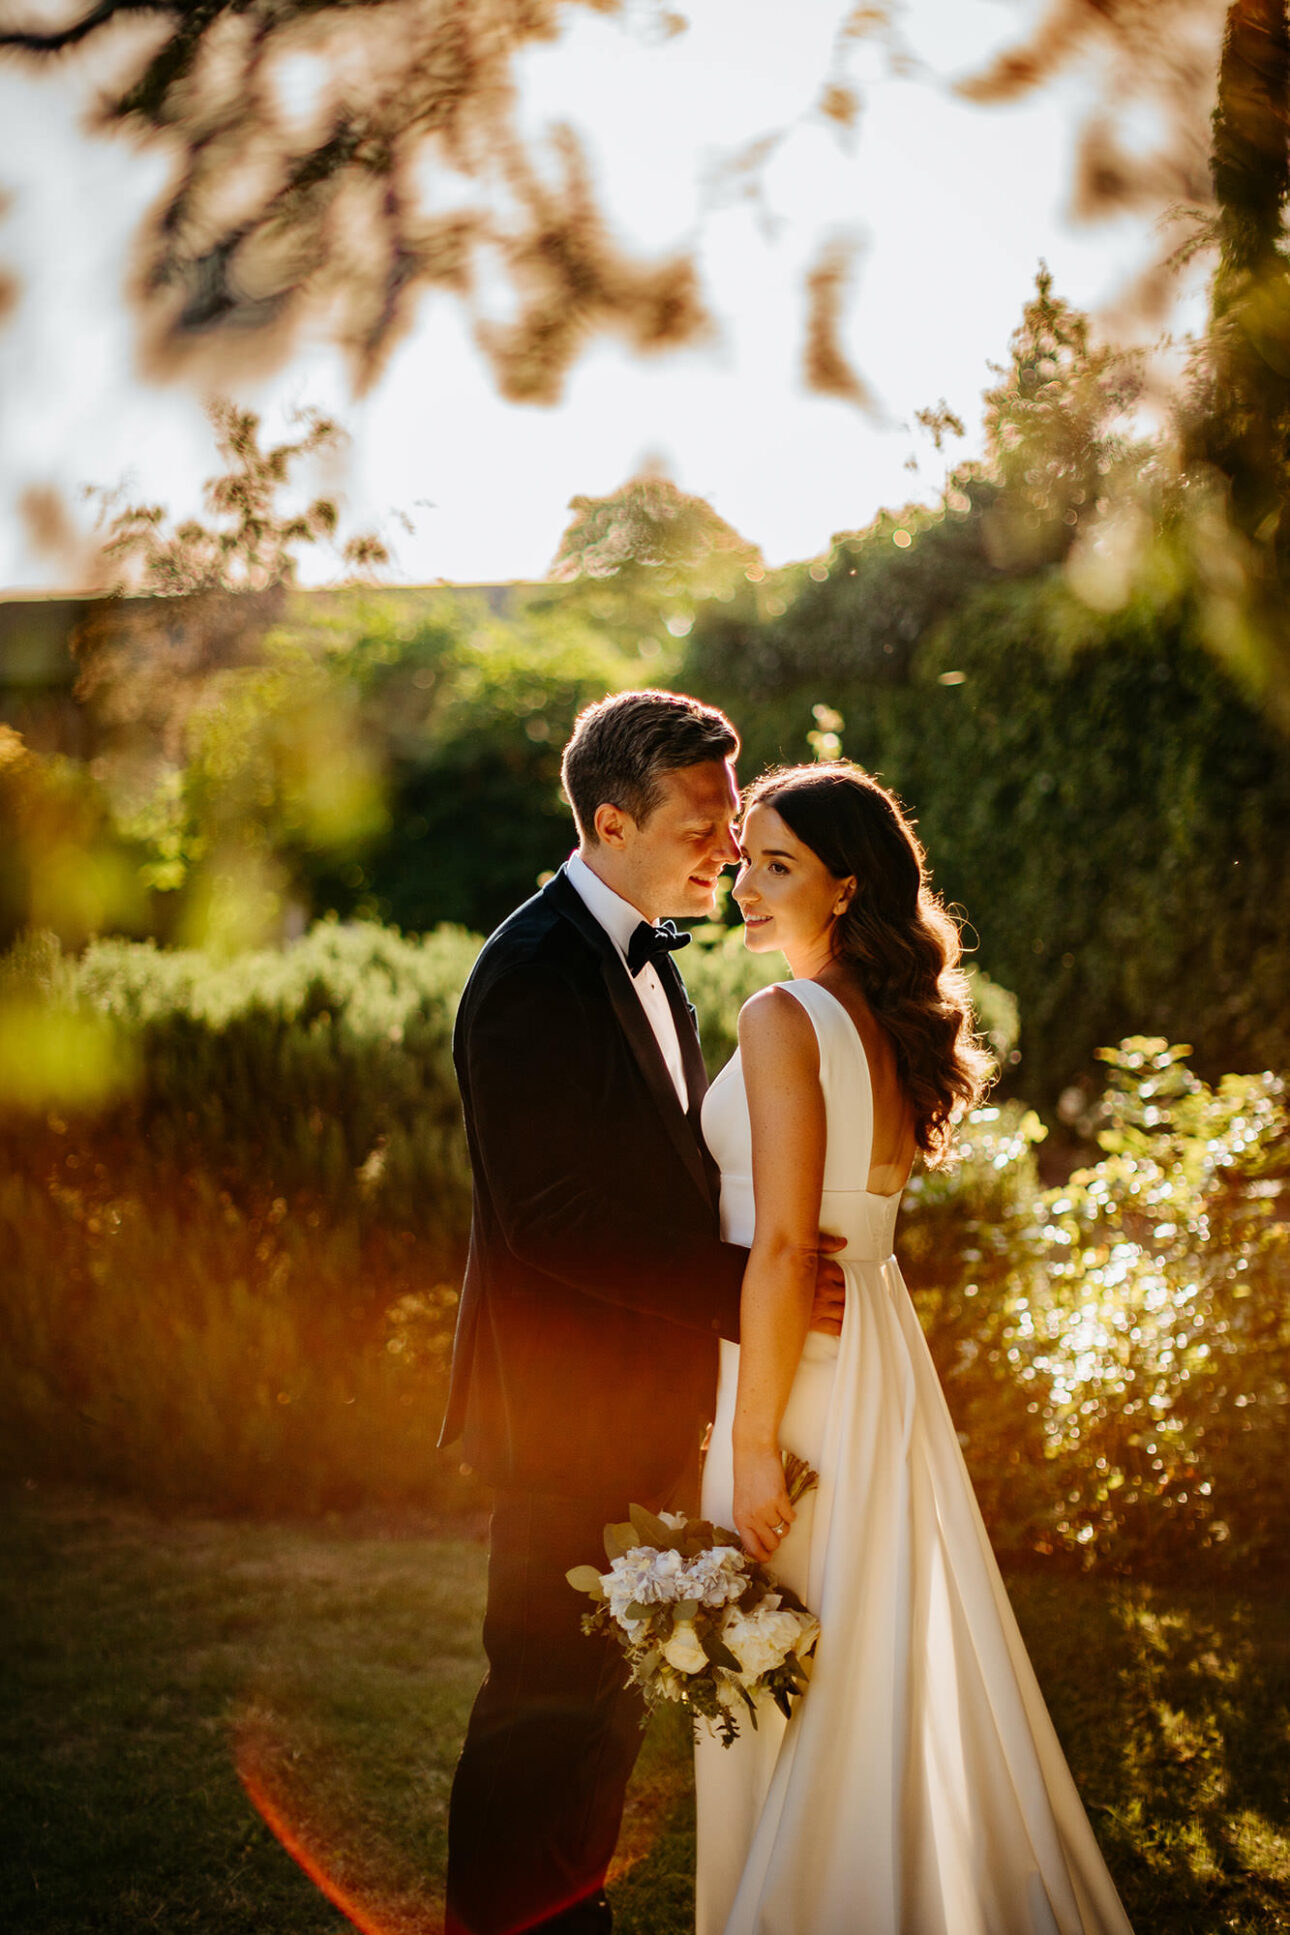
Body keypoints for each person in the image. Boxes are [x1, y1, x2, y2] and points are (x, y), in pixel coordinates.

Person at [695, 760, 1135, 1935]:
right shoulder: (877, 1020)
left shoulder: (784, 1017)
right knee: (843, 1654)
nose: (746, 882)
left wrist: (748, 1447)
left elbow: (787, 1248)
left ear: (844, 886)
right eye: (744, 857)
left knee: (781, 1658)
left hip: (789, 1375)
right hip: (872, 1355)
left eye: (776, 864)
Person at [438, 691, 845, 1935]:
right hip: (564, 1417)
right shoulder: (528, 974)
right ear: (611, 821)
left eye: (731, 821)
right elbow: (554, 1217)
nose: (728, 848)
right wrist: (747, 1298)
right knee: (541, 1714)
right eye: (703, 824)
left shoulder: (648, 953)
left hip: (652, 1406)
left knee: (604, 1717)